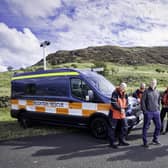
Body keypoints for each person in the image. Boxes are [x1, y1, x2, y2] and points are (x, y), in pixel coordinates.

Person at [108, 82, 130, 148]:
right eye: (122, 86)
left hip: (122, 114)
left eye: (124, 87)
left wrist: (125, 109)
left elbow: (127, 103)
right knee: (112, 128)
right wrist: (121, 109)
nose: (123, 88)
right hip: (114, 113)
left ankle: (122, 141)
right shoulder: (115, 93)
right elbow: (113, 103)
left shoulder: (125, 94)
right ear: (119, 86)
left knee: (124, 127)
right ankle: (112, 143)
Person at [141, 79, 161, 147]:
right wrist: (145, 111)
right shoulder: (146, 91)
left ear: (156, 84)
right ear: (150, 83)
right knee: (145, 127)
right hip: (148, 112)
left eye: (154, 83)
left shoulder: (157, 91)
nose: (153, 84)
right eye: (152, 82)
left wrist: (158, 109)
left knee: (159, 126)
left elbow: (159, 101)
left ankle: (155, 140)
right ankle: (145, 142)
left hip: (156, 112)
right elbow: (142, 102)